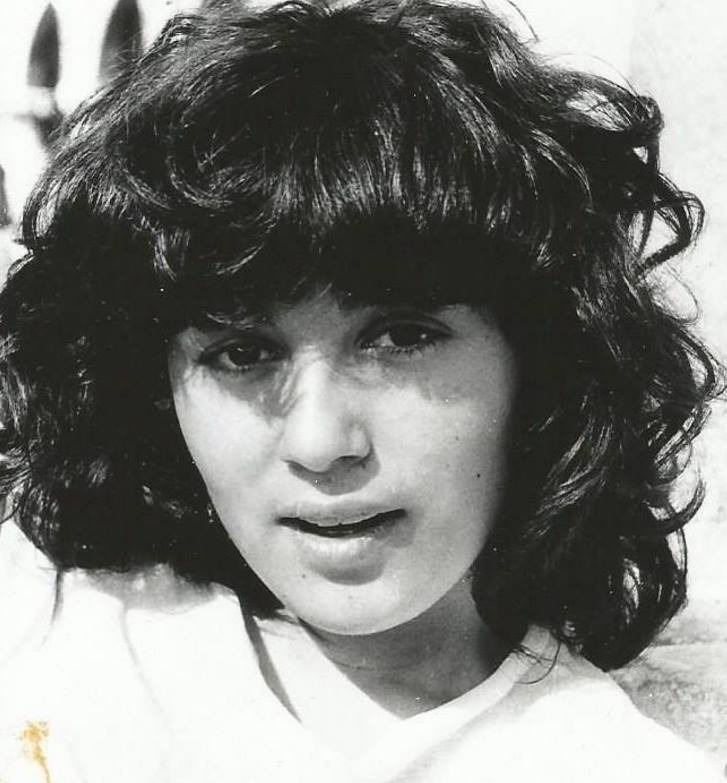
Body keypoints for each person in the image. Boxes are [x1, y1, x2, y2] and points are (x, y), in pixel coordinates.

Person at [0, 0, 722, 780]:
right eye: (241, 352)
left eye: (401, 337)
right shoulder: (48, 633)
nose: (320, 443)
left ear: (539, 361)